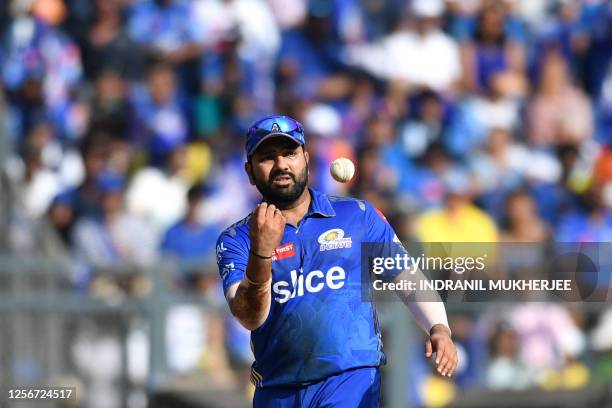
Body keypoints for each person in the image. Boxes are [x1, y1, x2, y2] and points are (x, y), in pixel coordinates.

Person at [216, 115, 457, 407]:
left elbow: (408, 279)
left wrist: (439, 328)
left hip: (349, 380)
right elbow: (249, 317)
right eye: (267, 157)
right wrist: (261, 253)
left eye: (290, 154)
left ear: (306, 158)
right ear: (250, 172)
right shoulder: (236, 239)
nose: (281, 165)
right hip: (276, 389)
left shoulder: (358, 215)